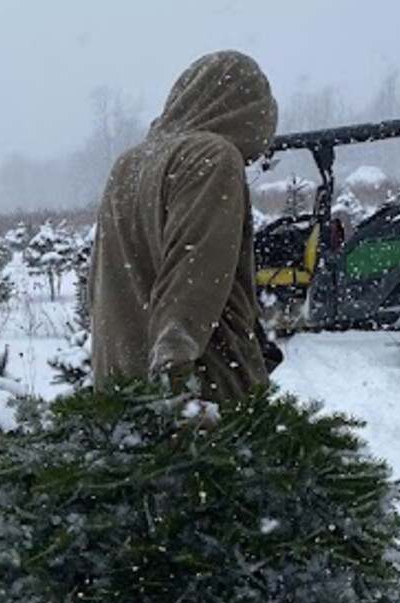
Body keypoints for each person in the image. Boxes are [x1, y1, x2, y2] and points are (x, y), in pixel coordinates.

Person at [90, 50, 281, 403]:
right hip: (204, 396)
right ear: (239, 109)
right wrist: (173, 379)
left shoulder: (130, 163)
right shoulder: (212, 157)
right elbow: (194, 275)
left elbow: (103, 282)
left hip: (121, 390)